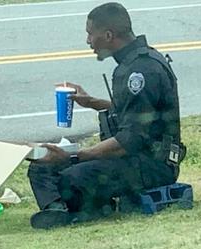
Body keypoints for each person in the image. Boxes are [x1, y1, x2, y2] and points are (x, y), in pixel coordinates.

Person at [27, 2, 185, 229]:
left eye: (91, 34)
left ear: (108, 35)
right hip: (133, 159)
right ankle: (57, 210)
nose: (88, 41)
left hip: (151, 164)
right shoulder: (134, 63)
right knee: (41, 166)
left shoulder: (140, 70)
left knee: (71, 178)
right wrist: (92, 103)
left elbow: (130, 140)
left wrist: (73, 156)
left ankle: (83, 210)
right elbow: (138, 112)